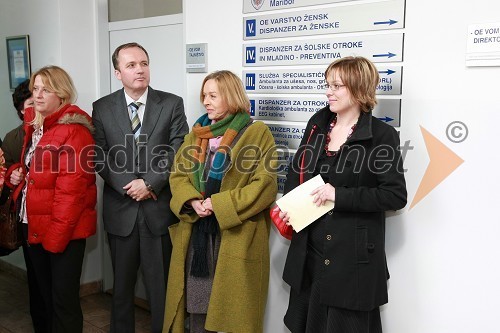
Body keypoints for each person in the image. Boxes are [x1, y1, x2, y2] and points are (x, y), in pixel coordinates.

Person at [271, 56, 407, 333]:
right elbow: (297, 171)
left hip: (350, 262)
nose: (328, 92)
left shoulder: (382, 135)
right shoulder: (317, 125)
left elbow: (394, 196)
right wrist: (290, 205)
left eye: (337, 85)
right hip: (310, 254)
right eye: (327, 84)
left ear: (358, 89)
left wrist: (339, 195)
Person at [163, 70, 278, 333]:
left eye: (213, 95)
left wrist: (219, 204)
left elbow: (265, 185)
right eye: (204, 95)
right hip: (198, 237)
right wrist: (192, 201)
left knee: (235, 315)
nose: (206, 101)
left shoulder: (256, 133)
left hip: (233, 235)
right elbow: (178, 176)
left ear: (231, 96)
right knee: (197, 308)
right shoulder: (196, 134)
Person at [92, 42, 189, 333]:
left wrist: (149, 183)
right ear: (117, 72)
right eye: (131, 65)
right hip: (121, 212)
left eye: (144, 63)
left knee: (161, 290)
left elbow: (179, 148)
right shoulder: (102, 107)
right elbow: (99, 154)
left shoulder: (171, 103)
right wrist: (127, 185)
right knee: (121, 289)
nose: (140, 70)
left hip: (157, 210)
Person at [6, 65, 97, 332]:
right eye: (36, 89)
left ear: (62, 93)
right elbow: (26, 169)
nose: (39, 95)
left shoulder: (75, 131)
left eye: (47, 89)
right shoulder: (34, 127)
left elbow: (71, 193)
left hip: (62, 232)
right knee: (44, 300)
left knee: (63, 304)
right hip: (33, 225)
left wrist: (54, 240)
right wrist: (15, 172)